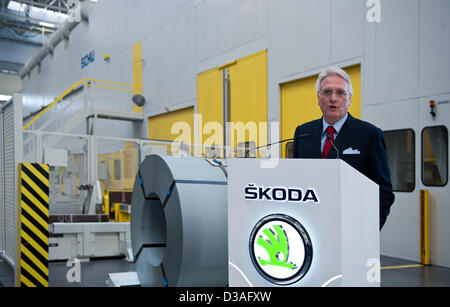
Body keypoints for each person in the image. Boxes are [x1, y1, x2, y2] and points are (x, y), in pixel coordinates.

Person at [293, 67, 395, 230]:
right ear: (318, 98)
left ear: (349, 99)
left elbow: (383, 192)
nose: (333, 98)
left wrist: (368, 231)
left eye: (340, 92)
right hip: (309, 230)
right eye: (327, 92)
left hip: (352, 230)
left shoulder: (370, 135)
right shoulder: (303, 132)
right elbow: (295, 182)